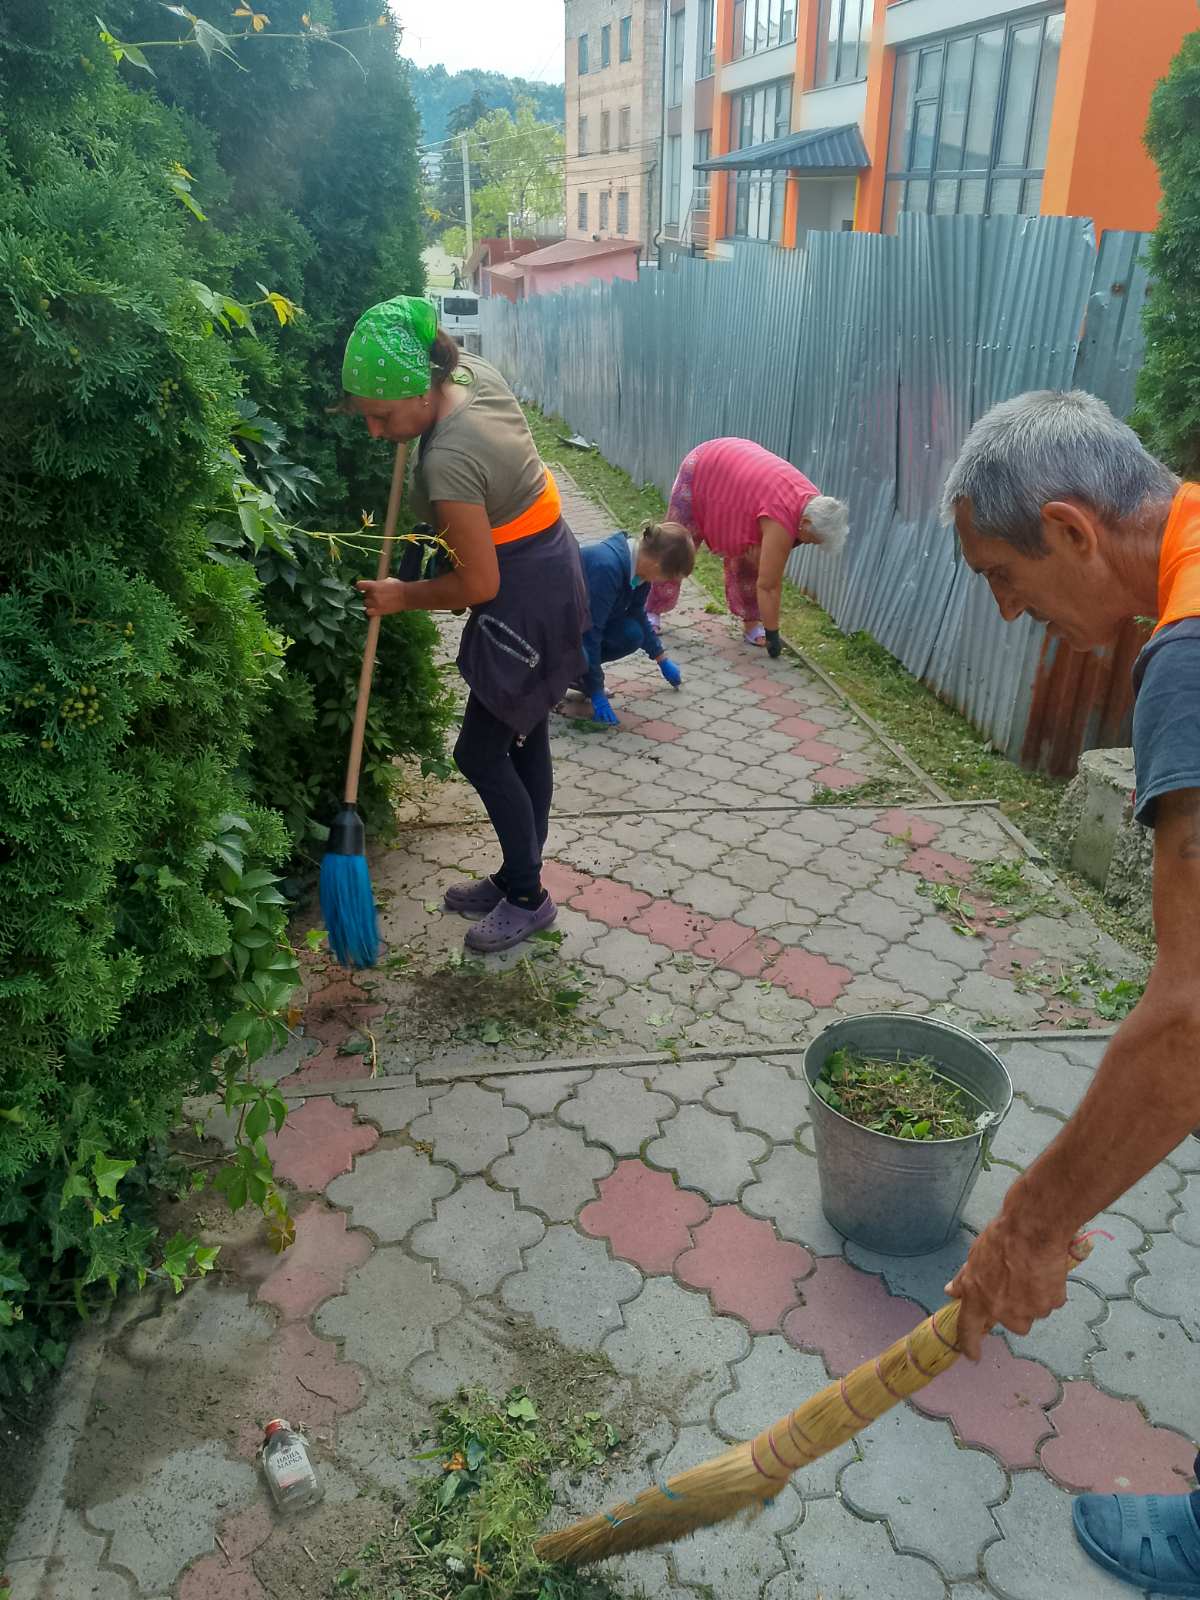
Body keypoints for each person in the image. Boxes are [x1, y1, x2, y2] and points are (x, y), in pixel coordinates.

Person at [940, 389, 1200, 1597]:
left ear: (1070, 530)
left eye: (1004, 574)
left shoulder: (1188, 658)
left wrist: (1030, 1224)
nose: (1009, 610)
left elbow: (1189, 1022)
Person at [344, 295, 589, 954]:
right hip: (550, 566)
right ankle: (517, 874)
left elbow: (479, 585)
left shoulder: (447, 459)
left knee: (478, 752)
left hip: (524, 596)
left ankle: (529, 898)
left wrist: (401, 595)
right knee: (524, 731)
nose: (374, 432)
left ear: (420, 393)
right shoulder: (468, 373)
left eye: (381, 416)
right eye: (365, 416)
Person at [645, 436, 848, 656]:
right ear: (805, 523)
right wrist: (773, 636)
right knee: (675, 545)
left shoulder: (815, 506)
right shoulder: (782, 518)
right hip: (705, 466)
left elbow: (766, 565)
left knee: (752, 556)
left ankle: (751, 623)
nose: (808, 543)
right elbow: (769, 585)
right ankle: (651, 609)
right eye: (812, 539)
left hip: (738, 481)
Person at [576, 522, 695, 726]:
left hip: (581, 629)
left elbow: (637, 613)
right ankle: (560, 674)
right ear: (657, 566)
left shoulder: (638, 571)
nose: (662, 582)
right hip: (553, 634)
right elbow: (590, 633)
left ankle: (578, 673)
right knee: (586, 651)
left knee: (632, 633)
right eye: (667, 578)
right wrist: (597, 691)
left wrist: (661, 658)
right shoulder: (607, 568)